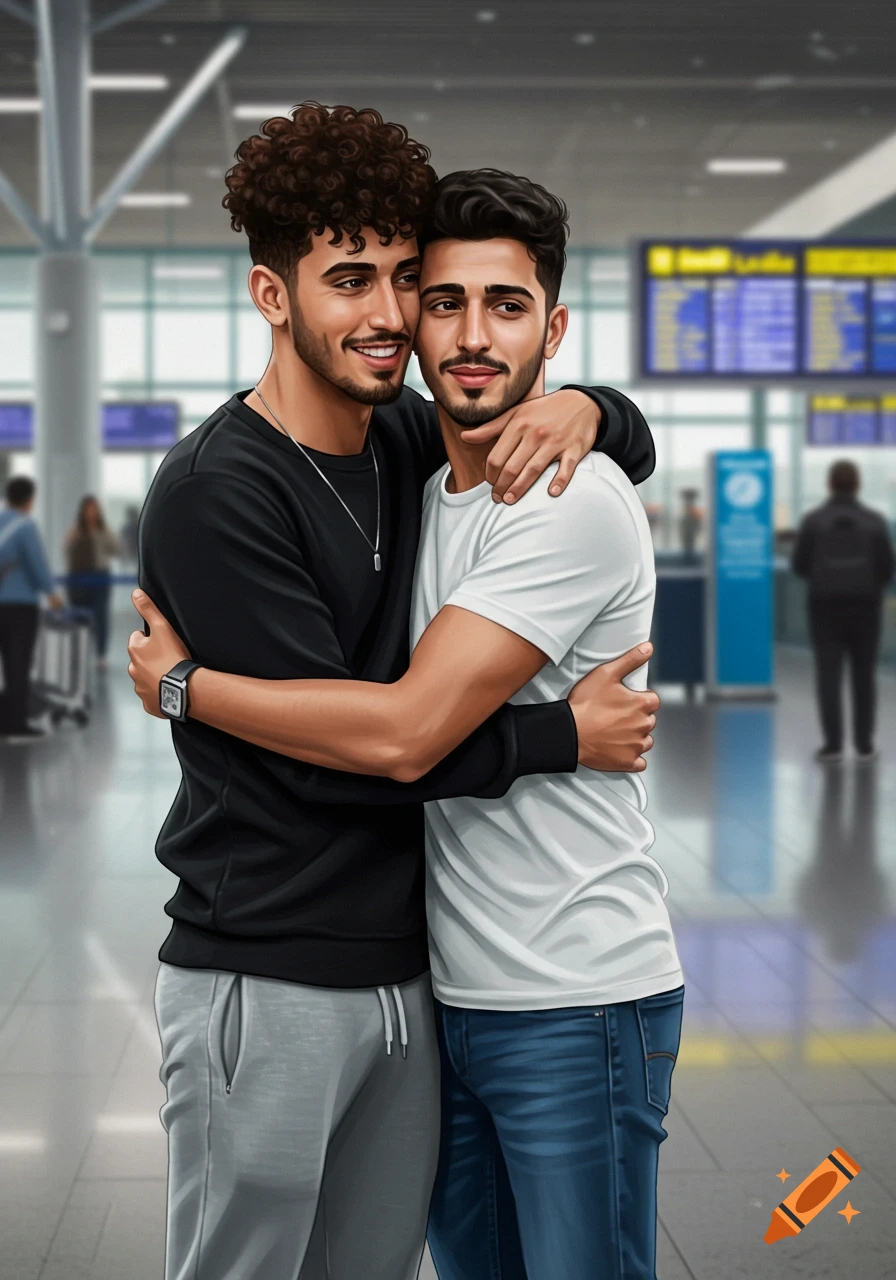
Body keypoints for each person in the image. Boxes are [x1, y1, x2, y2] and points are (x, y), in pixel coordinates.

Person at [129, 105, 659, 1280]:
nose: (386, 315)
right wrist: (553, 736)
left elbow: (525, 410)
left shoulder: (403, 439)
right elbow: (366, 747)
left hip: (407, 978)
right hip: (262, 970)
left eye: (403, 278)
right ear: (274, 295)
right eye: (349, 279)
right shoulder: (219, 489)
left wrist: (594, 409)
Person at [792, 459, 895, 763]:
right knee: (864, 676)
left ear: (830, 484)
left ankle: (833, 745)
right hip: (866, 608)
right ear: (857, 485)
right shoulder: (875, 521)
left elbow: (799, 565)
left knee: (828, 676)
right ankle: (864, 744)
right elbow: (888, 568)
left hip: (824, 608)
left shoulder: (814, 520)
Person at [0, 476, 63, 743]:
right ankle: (15, 723)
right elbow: (36, 564)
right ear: (29, 500)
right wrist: (51, 593)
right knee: (18, 664)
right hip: (20, 606)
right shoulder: (25, 526)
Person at [65, 495, 120, 669]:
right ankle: (79, 654)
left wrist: (102, 537)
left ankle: (101, 655)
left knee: (101, 618)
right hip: (79, 580)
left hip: (100, 578)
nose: (92, 512)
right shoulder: (76, 530)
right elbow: (67, 551)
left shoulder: (103, 530)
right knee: (78, 618)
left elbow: (116, 549)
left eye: (95, 508)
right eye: (89, 508)